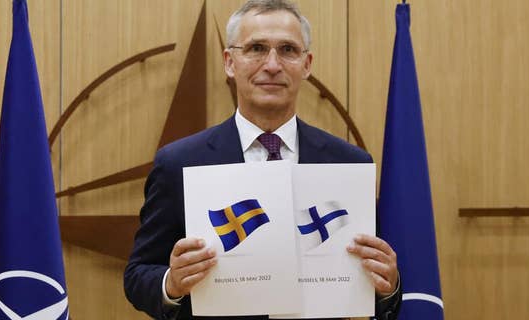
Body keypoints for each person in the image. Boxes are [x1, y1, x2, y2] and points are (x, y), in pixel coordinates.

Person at [124, 1, 401, 319]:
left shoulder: (350, 164)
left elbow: (380, 285)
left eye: (287, 50)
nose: (272, 64)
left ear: (307, 64)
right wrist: (170, 284)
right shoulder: (179, 163)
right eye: (256, 48)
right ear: (230, 62)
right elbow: (137, 275)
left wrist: (389, 284)